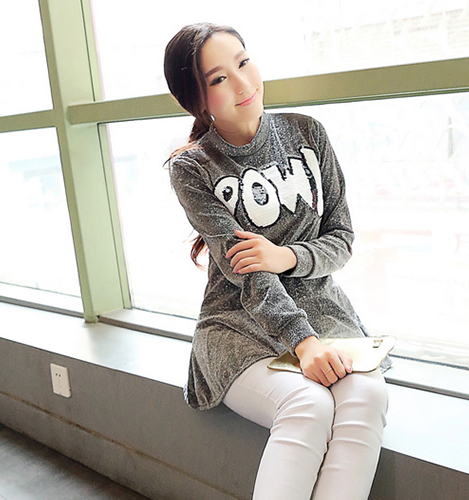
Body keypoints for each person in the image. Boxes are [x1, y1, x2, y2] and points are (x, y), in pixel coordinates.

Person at [163, 22, 390, 500]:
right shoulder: (193, 167)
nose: (242, 83)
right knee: (308, 405)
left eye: (244, 63)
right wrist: (303, 342)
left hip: (323, 311)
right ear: (197, 100)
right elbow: (246, 273)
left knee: (368, 395)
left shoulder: (307, 134)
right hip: (238, 324)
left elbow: (342, 240)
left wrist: (284, 255)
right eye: (219, 78)